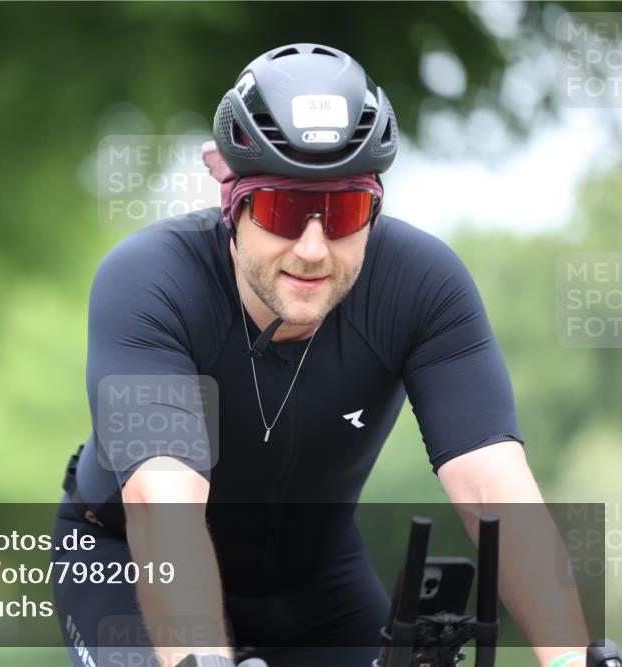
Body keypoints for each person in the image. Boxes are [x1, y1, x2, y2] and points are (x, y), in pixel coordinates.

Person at [52, 43, 591, 667]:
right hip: (124, 562)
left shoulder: (423, 287)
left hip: (317, 581)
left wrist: (572, 656)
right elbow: (161, 505)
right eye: (285, 208)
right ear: (234, 201)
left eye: (342, 211)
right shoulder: (151, 282)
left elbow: (496, 487)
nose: (313, 248)